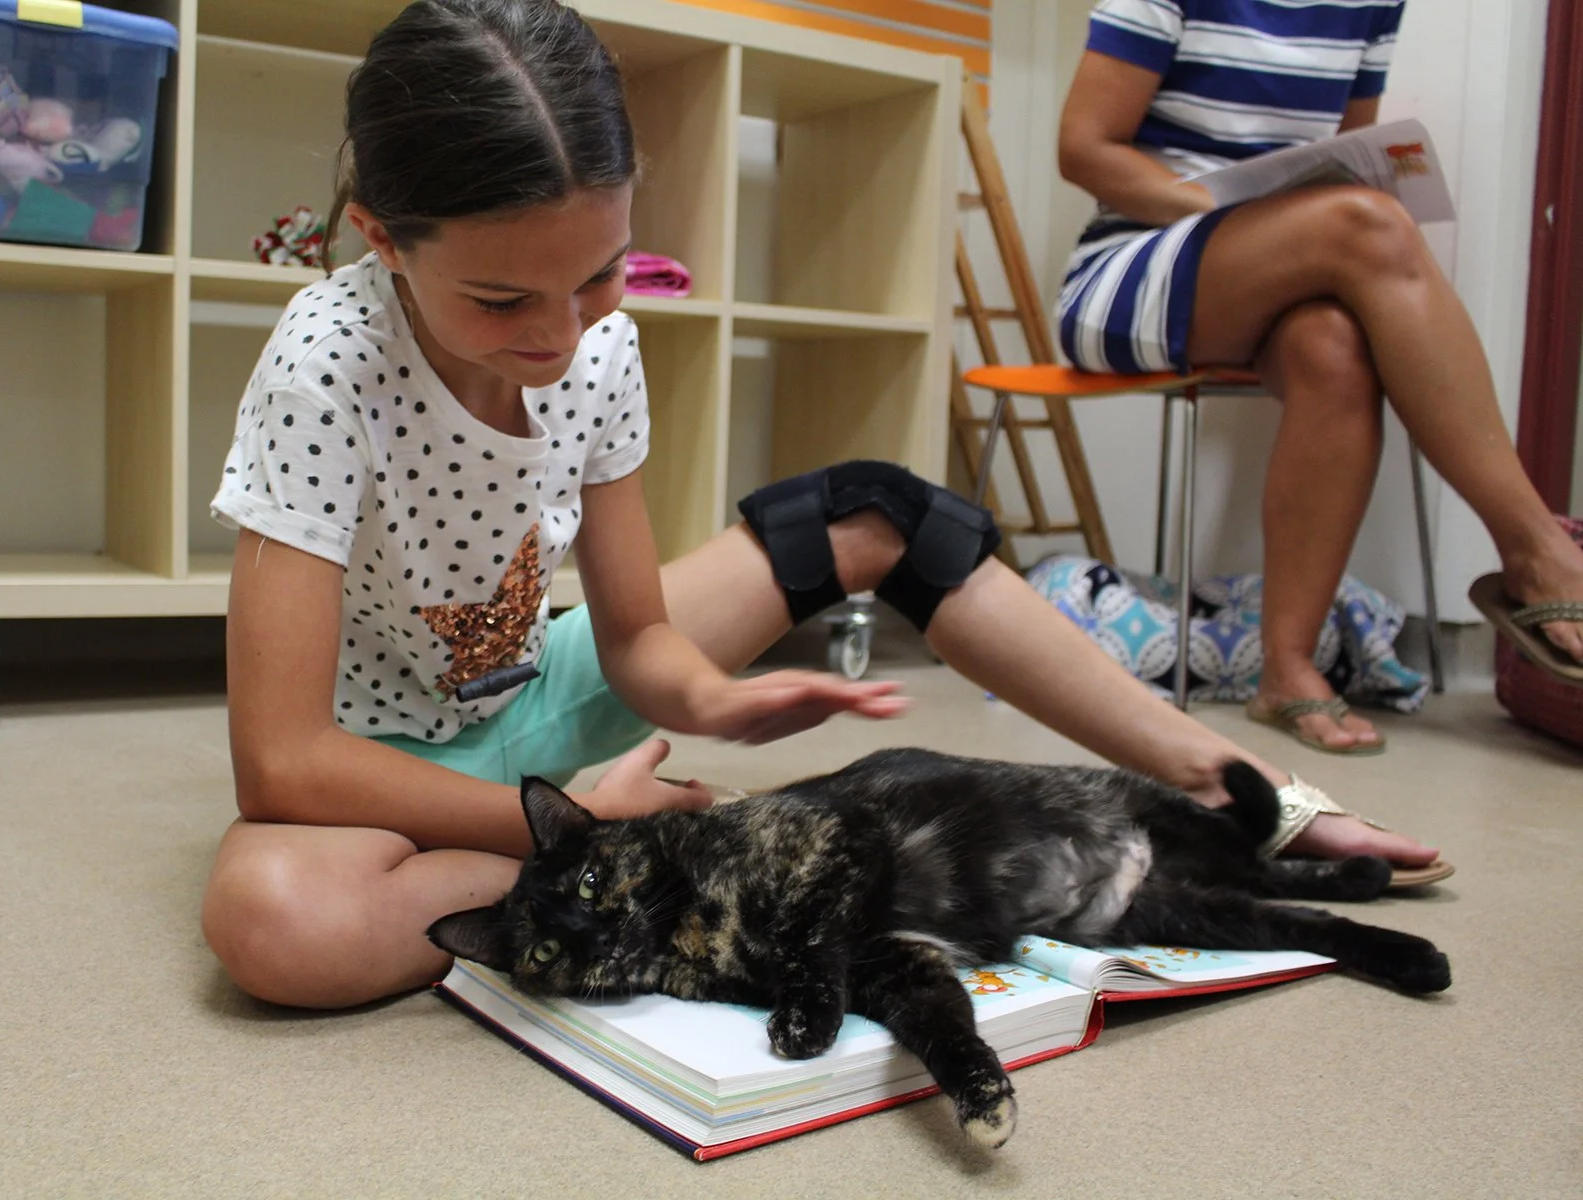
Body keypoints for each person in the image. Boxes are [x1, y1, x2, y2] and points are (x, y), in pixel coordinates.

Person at [201, 0, 1440, 1011]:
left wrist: (715, 697)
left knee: (876, 509)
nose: (560, 333)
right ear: (381, 236)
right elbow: (282, 761)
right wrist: (575, 829)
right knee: (277, 926)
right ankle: (619, 855)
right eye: (499, 301)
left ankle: (1235, 787)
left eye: (598, 275)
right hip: (373, 764)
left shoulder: (596, 343)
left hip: (539, 689)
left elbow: (635, 639)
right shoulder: (326, 369)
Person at [1056, 0, 1583, 754]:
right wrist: (1216, 207)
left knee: (1334, 346)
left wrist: (1296, 206)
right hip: (1131, 263)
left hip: (1262, 260)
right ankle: (1534, 548)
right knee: (1369, 225)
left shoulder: (1371, 4)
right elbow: (1083, 148)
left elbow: (1348, 151)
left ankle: (1288, 669)